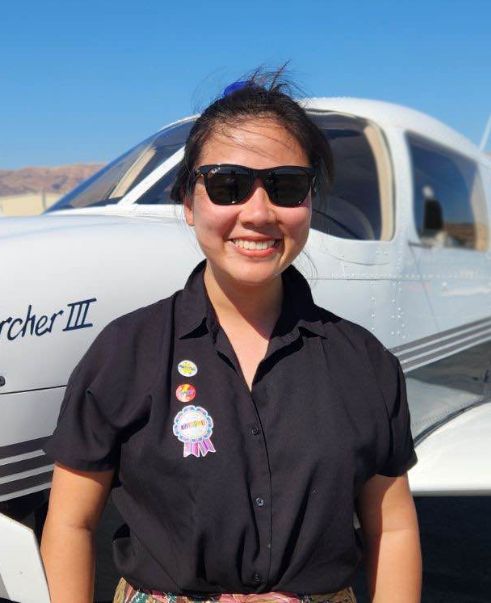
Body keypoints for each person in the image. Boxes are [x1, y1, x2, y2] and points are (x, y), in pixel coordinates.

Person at [41, 70, 421, 603]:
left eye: (286, 186)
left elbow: (394, 530)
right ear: (190, 203)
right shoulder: (123, 352)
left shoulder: (365, 362)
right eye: (227, 185)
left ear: (310, 200)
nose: (259, 213)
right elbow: (70, 524)